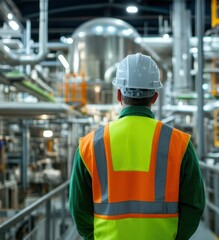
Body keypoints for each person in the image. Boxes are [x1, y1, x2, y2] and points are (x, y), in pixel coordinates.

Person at [69, 53, 205, 240]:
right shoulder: (180, 144)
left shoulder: (89, 146)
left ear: (118, 94)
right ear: (155, 96)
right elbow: (194, 205)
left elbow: (78, 209)